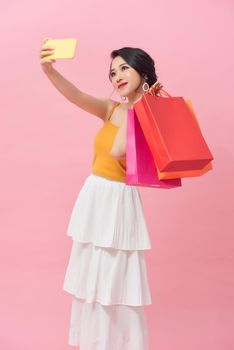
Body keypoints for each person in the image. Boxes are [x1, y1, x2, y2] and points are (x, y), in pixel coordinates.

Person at [39, 38, 158, 350]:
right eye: (112, 72)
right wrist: (48, 70)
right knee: (93, 279)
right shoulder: (111, 109)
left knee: (116, 280)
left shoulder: (150, 114)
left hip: (119, 200)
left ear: (143, 73)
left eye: (124, 68)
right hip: (95, 195)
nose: (117, 76)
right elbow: (76, 96)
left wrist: (143, 104)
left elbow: (120, 149)